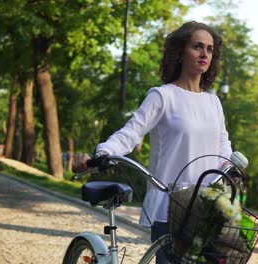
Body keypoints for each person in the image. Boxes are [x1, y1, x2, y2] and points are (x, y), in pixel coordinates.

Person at [73, 21, 232, 263]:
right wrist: (103, 153)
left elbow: (223, 145)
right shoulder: (163, 96)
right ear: (180, 52)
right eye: (197, 47)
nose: (204, 54)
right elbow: (131, 132)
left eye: (210, 49)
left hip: (206, 207)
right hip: (171, 205)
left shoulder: (213, 102)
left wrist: (231, 168)